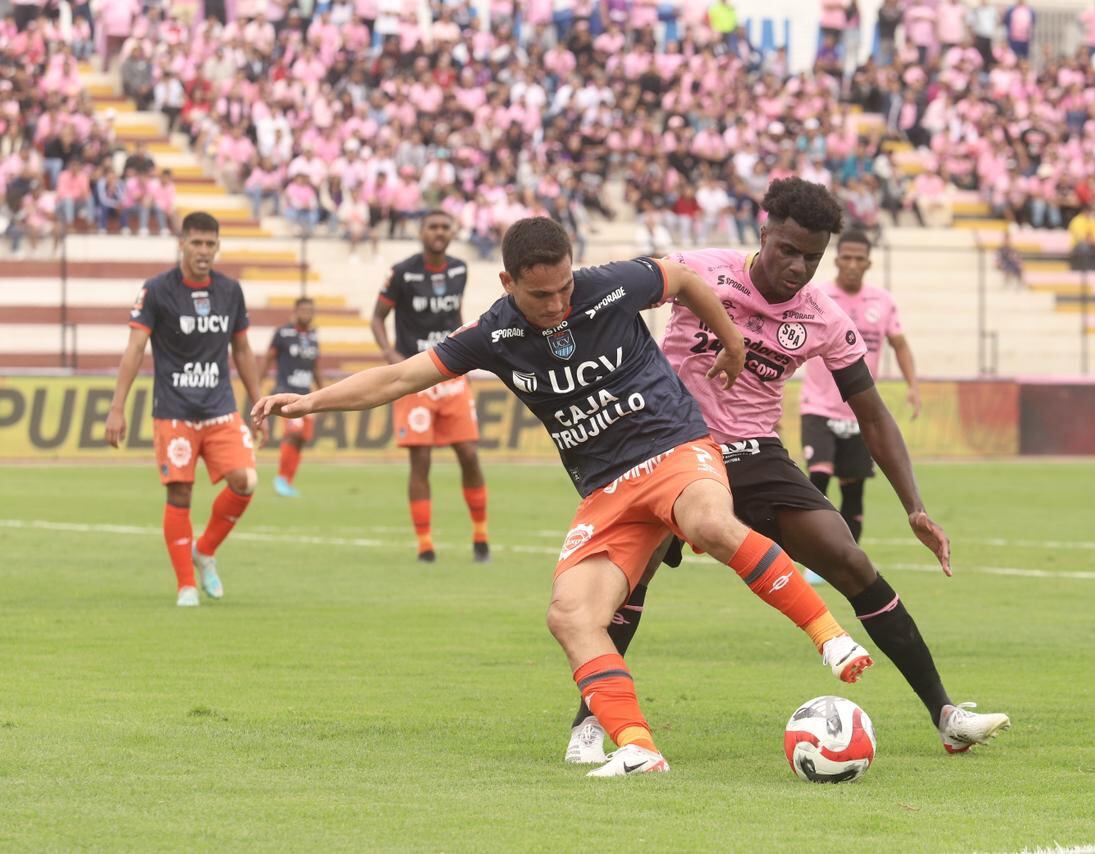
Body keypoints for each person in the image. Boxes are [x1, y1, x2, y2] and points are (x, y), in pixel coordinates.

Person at [255, 216, 875, 777]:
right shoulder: (492, 335)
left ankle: (829, 636)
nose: (555, 304)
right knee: (571, 615)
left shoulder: (611, 284)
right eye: (538, 294)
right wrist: (310, 400)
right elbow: (397, 377)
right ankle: (637, 747)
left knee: (710, 521)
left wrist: (731, 339)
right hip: (606, 490)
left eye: (563, 288)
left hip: (674, 449)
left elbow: (683, 279)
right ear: (507, 281)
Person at [558, 179, 1007, 765]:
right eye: (787, 250)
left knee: (849, 558)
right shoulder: (700, 271)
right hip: (669, 444)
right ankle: (590, 722)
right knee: (628, 582)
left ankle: (946, 715)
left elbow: (871, 413)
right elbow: (607, 295)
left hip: (753, 452)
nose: (798, 267)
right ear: (763, 232)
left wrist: (914, 506)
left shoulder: (824, 316)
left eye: (811, 257)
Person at [105, 212, 261, 607]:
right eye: (197, 243)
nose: (204, 251)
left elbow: (241, 349)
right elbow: (135, 349)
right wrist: (117, 408)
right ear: (182, 243)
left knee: (246, 481)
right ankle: (186, 585)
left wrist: (258, 401)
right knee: (180, 493)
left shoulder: (230, 291)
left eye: (211, 243)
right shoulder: (156, 290)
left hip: (221, 408)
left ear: (218, 246)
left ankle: (205, 550)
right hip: (174, 411)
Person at [370, 211, 490, 563]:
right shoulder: (402, 272)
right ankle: (425, 544)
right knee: (420, 461)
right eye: (432, 227)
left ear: (452, 232)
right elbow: (377, 317)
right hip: (415, 377)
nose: (439, 233)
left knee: (468, 454)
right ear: (421, 232)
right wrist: (390, 354)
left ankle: (481, 536)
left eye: (444, 227)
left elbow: (455, 315)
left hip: (452, 373)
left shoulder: (459, 269)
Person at [800, 228, 920, 545]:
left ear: (868, 264)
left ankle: (846, 556)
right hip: (818, 407)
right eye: (847, 258)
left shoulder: (882, 302)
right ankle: (816, 550)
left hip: (858, 413)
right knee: (818, 478)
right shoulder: (816, 296)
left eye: (859, 259)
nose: (852, 264)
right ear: (836, 260)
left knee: (853, 488)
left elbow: (900, 344)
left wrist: (913, 385)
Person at [262, 298, 322, 497]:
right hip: (287, 391)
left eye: (310, 310)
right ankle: (280, 479)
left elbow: (316, 367)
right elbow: (268, 359)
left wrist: (323, 392)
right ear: (296, 311)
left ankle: (287, 480)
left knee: (302, 439)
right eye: (303, 309)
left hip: (307, 394)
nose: (307, 313)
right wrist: (257, 383)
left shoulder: (313, 336)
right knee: (293, 433)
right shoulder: (283, 333)